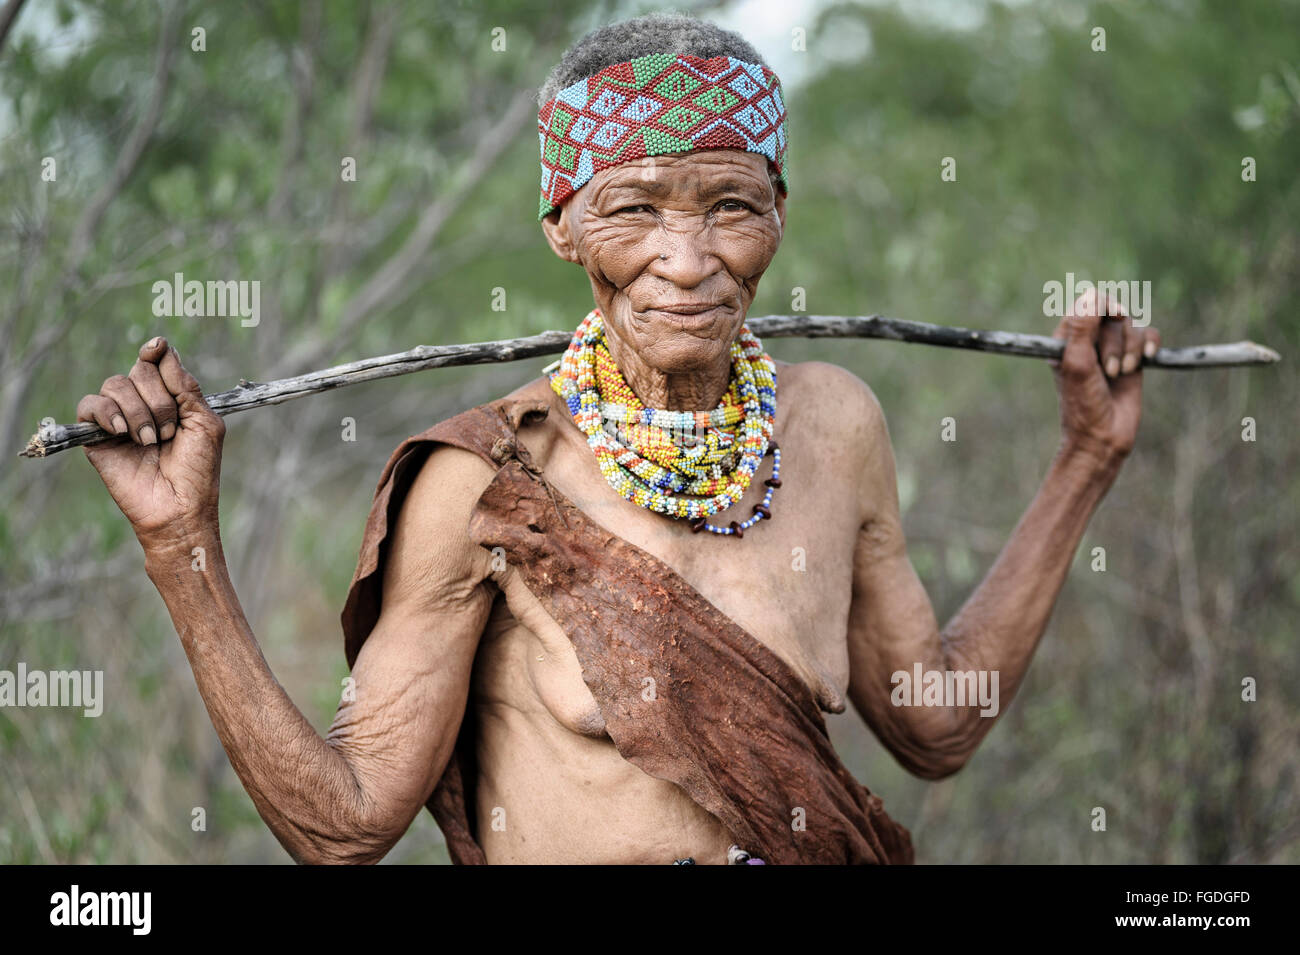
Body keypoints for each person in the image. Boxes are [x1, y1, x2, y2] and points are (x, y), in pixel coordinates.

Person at [76, 12, 1159, 864]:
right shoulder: (485, 479)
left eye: (729, 207)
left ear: (778, 212)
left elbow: (936, 727)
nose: (686, 261)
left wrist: (1086, 460)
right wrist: (183, 548)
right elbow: (346, 823)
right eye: (633, 209)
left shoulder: (832, 425)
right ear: (561, 226)